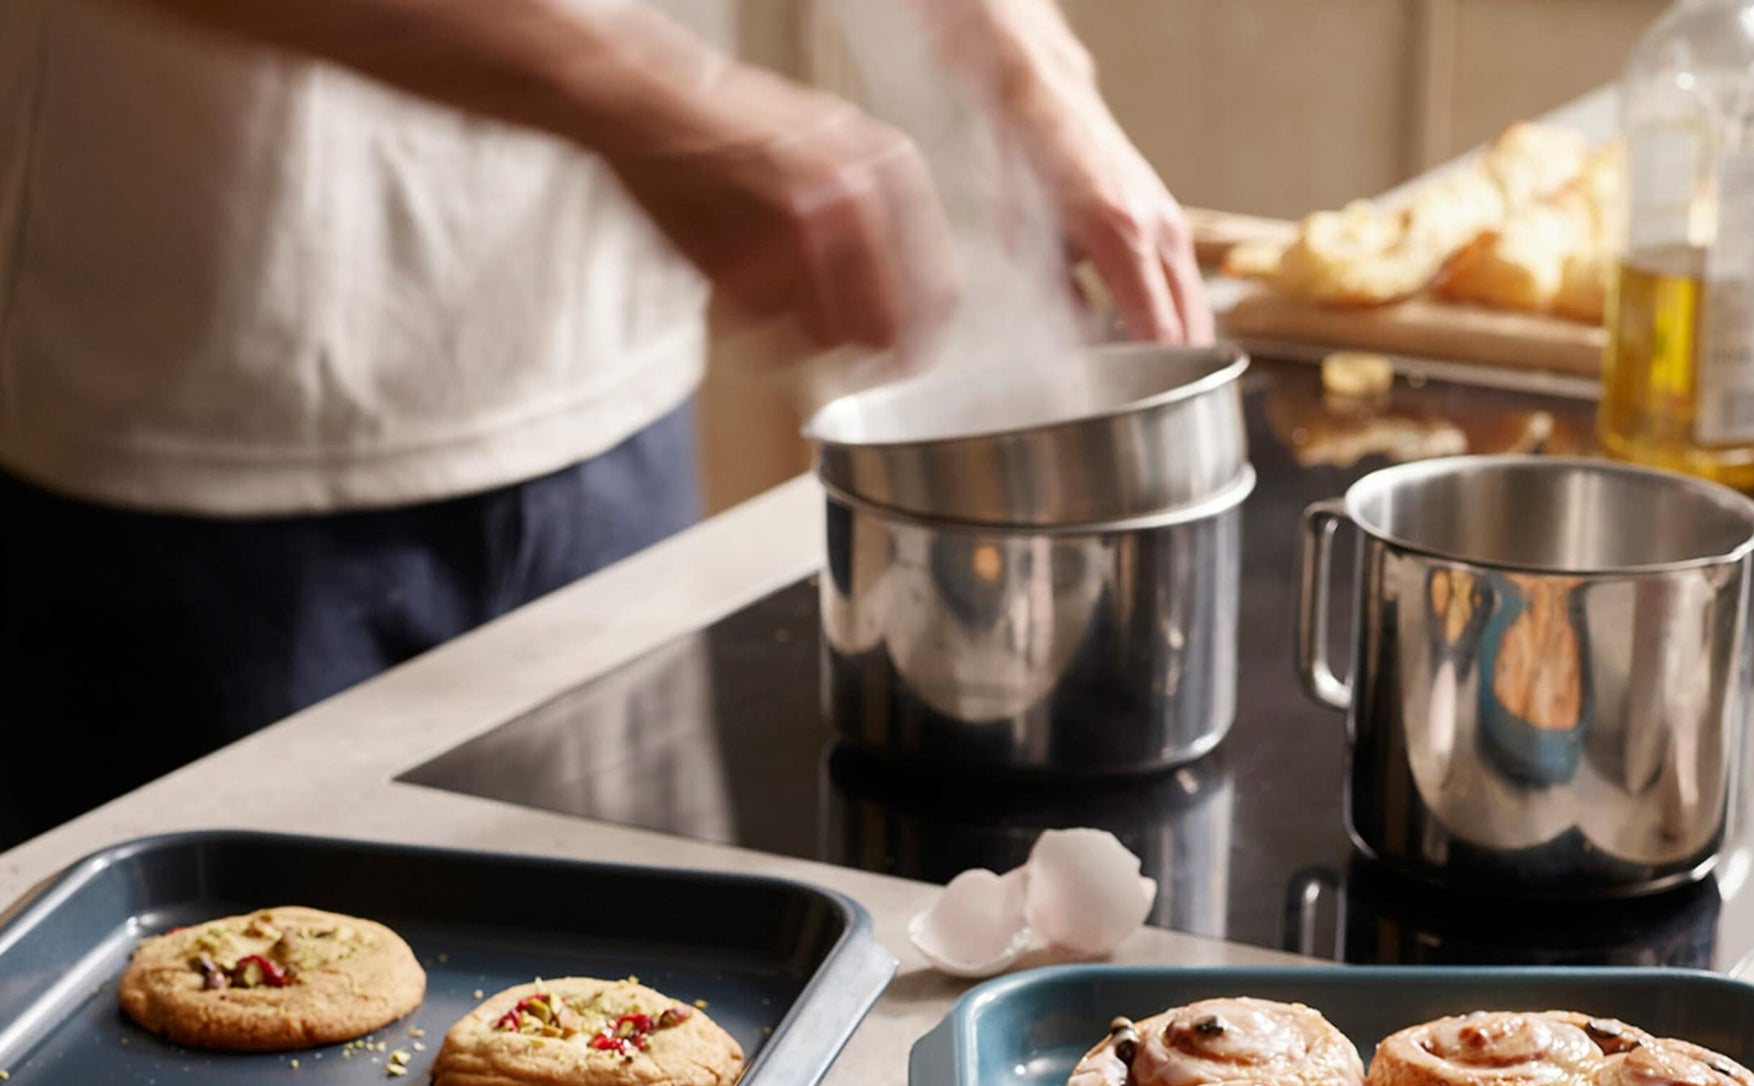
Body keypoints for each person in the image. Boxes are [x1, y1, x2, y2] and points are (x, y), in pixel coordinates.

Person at [0, 0, 1208, 845]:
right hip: (203, 446)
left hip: (605, 406)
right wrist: (644, 100)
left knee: (613, 1061)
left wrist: (1029, 73)